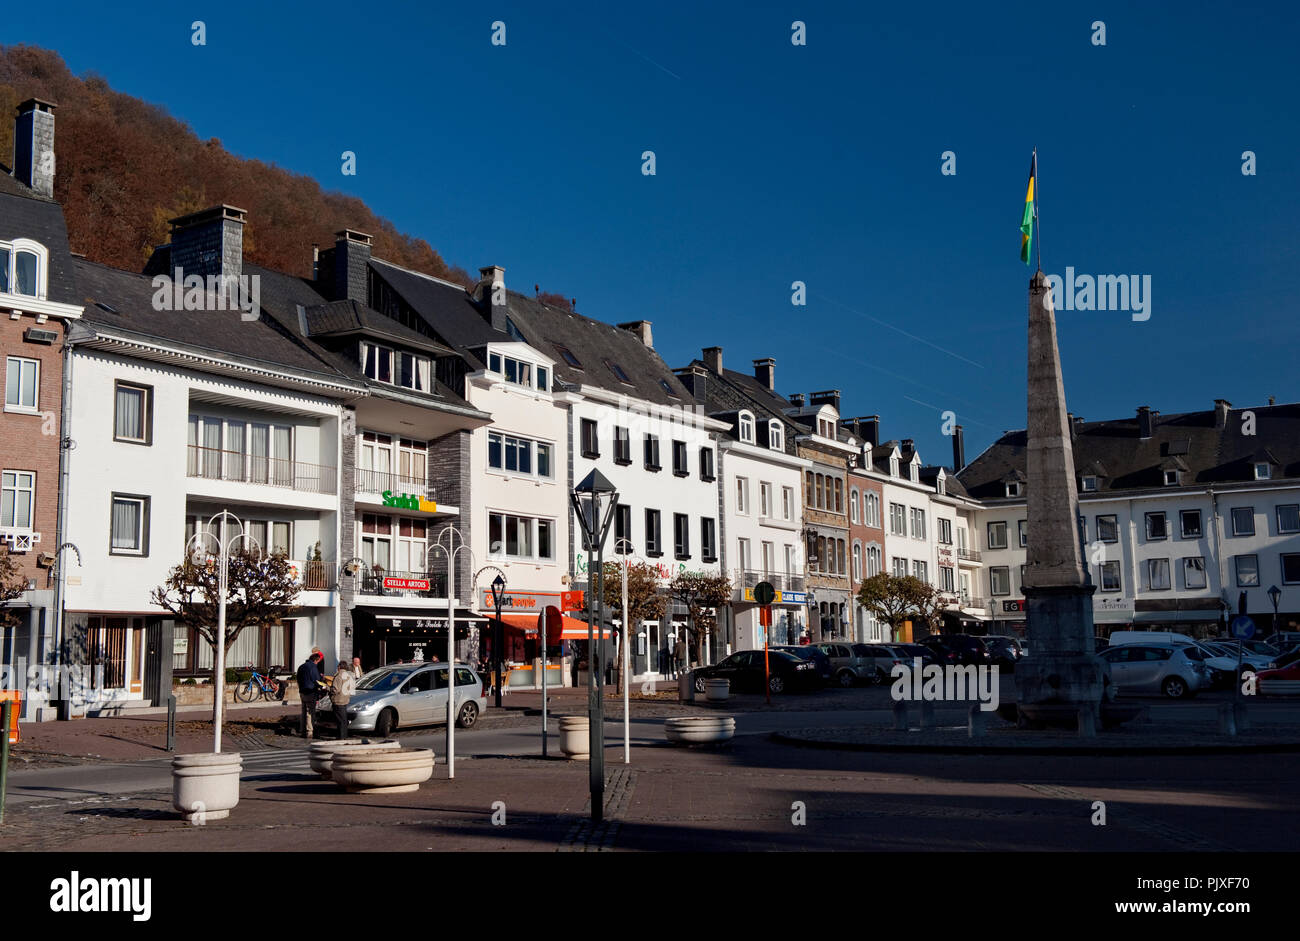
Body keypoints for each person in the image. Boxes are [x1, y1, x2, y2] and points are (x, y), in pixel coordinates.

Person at [297, 651, 323, 739]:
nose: (318, 663)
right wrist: (321, 685)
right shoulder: (313, 667)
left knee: (303, 711)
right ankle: (309, 731)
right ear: (316, 660)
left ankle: (302, 731)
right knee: (310, 712)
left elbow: (298, 678)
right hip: (310, 691)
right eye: (318, 661)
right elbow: (316, 680)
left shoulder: (301, 666)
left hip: (302, 691)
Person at [331, 660, 356, 739]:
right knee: (344, 720)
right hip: (345, 699)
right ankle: (344, 736)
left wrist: (327, 688)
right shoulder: (349, 676)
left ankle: (341, 737)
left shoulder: (338, 676)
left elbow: (335, 689)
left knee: (340, 721)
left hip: (338, 700)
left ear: (339, 667)